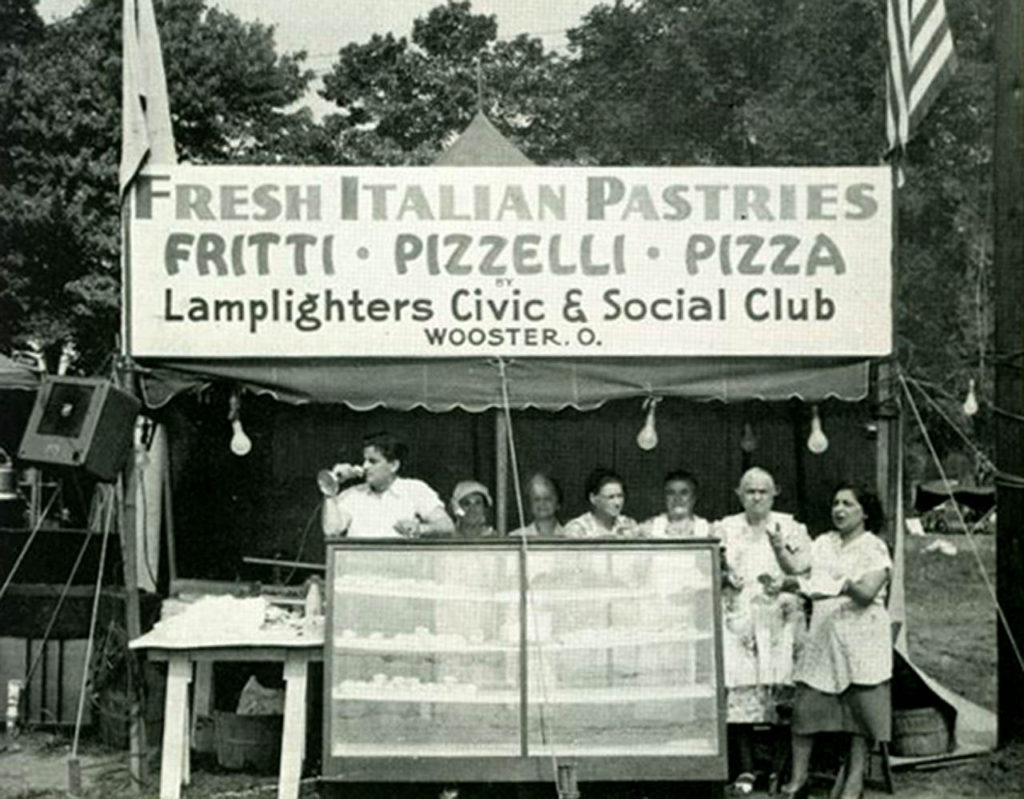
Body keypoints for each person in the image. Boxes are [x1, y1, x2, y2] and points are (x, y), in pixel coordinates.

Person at [774, 484, 892, 799]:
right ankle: (798, 781)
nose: (838, 509)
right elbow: (797, 568)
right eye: (836, 503)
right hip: (825, 634)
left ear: (864, 512)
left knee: (859, 713)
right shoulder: (825, 542)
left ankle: (853, 783)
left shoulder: (875, 547)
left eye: (848, 504)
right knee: (806, 711)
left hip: (861, 635)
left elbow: (867, 594)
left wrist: (843, 585)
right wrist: (778, 548)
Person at [714, 467, 811, 796]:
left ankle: (778, 769)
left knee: (782, 694)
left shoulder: (791, 526)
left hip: (780, 618)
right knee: (740, 692)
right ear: (739, 494)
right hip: (741, 620)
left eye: (763, 491)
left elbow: (806, 569)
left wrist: (784, 589)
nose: (756, 497)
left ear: (775, 493)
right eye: (750, 491)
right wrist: (726, 576)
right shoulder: (726, 527)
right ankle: (745, 767)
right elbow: (716, 566)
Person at [321, 431, 454, 539]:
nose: (365, 466)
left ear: (393, 465)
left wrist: (420, 528)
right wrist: (331, 488)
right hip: (360, 569)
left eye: (373, 461)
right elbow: (332, 530)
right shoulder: (352, 495)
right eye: (365, 460)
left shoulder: (415, 489)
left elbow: (447, 526)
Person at [563, 467, 638, 538]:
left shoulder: (629, 525)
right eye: (610, 497)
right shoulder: (577, 529)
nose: (617, 503)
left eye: (620, 496)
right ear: (593, 498)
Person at [638, 469, 711, 538]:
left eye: (684, 493)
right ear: (664, 498)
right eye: (671, 493)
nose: (677, 498)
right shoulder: (647, 530)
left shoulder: (709, 531)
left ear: (694, 498)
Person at [511, 472, 565, 537]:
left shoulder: (570, 536)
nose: (542, 503)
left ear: (558, 504)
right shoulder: (517, 536)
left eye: (547, 499)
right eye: (537, 499)